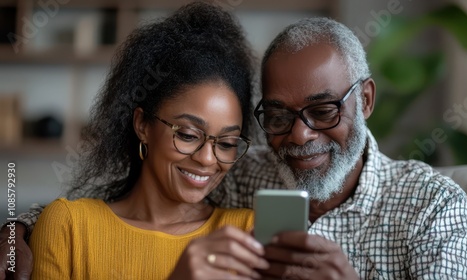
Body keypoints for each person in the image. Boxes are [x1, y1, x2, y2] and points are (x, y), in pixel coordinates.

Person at [1, 14, 467, 280]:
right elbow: (113, 210)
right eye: (279, 116)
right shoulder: (245, 186)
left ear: (365, 99)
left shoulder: (432, 206)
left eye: (324, 110)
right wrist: (16, 229)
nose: (300, 135)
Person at [5, 2, 271, 280]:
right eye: (188, 135)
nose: (207, 159)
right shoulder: (68, 227)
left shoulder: (246, 234)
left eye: (227, 143)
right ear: (142, 124)